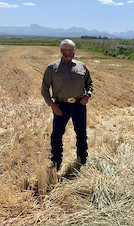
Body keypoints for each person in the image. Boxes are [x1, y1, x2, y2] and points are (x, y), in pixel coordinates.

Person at [41, 39, 93, 171]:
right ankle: (56, 161)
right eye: (66, 50)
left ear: (74, 51)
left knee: (81, 133)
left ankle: (82, 159)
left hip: (79, 105)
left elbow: (89, 84)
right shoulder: (52, 68)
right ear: (61, 51)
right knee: (56, 134)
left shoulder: (81, 66)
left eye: (71, 50)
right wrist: (52, 105)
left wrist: (88, 95)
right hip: (60, 105)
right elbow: (44, 89)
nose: (69, 53)